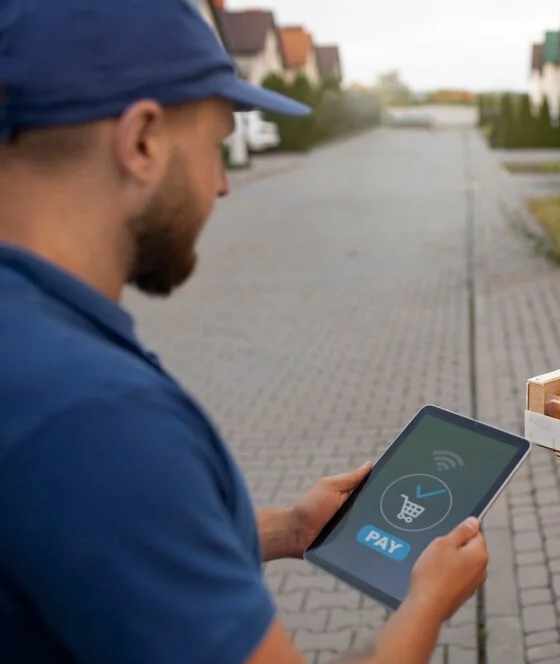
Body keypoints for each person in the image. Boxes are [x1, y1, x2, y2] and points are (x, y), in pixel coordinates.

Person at [0, 1, 488, 663]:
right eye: (215, 146)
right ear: (142, 141)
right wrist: (428, 602)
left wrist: (290, 530)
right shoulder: (95, 415)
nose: (224, 185)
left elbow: (93, 536)